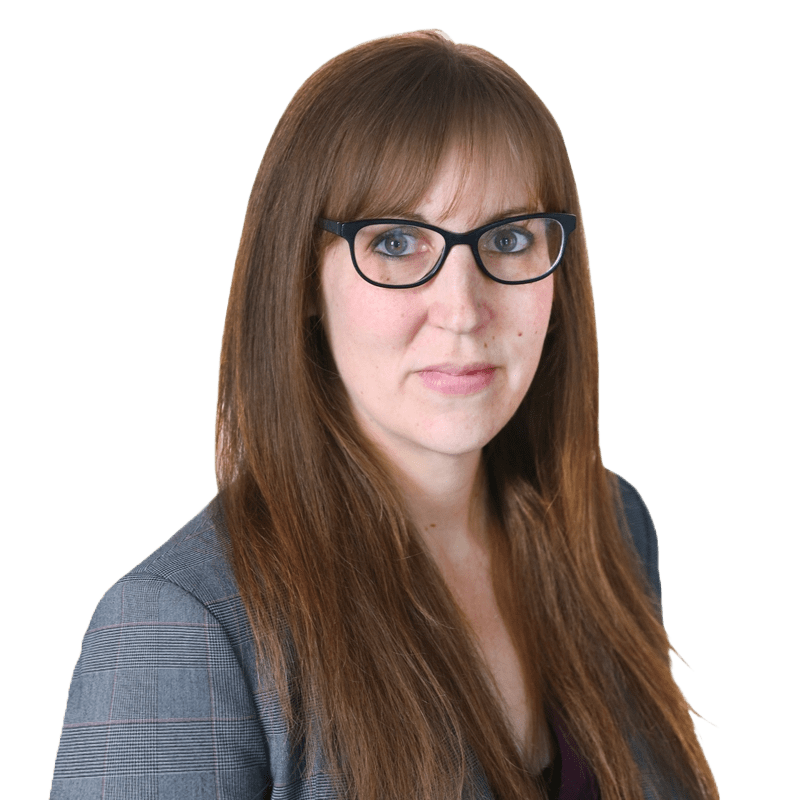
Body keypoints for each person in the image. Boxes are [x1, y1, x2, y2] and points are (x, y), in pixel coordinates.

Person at [49, 28, 719, 800]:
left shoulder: (609, 526)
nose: (462, 310)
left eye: (508, 238)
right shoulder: (179, 625)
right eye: (396, 242)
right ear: (302, 279)